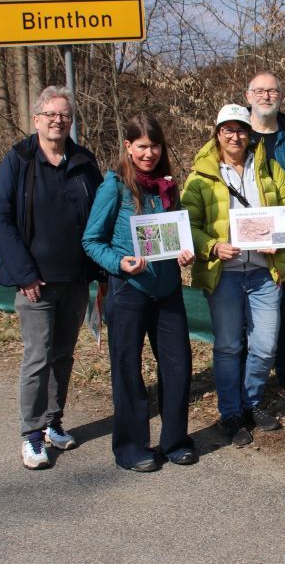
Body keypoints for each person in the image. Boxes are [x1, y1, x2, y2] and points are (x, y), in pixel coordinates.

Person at [0, 86, 103, 470]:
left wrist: (102, 269)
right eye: (51, 114)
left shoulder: (84, 161)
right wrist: (24, 273)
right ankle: (32, 434)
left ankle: (54, 422)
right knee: (38, 356)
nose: (58, 121)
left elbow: (101, 214)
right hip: (34, 282)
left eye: (64, 115)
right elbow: (0, 217)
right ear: (36, 119)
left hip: (76, 278)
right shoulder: (19, 160)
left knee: (63, 355)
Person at [82, 114, 197, 472]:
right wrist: (119, 264)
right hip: (128, 291)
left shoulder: (168, 186)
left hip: (167, 291)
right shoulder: (114, 186)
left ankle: (175, 441)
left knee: (178, 366)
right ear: (128, 147)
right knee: (128, 370)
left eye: (155, 146)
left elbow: (175, 235)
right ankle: (131, 448)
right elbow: (91, 241)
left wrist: (185, 253)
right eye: (142, 147)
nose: (149, 154)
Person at [182, 104, 285, 448]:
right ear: (217, 133)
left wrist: (280, 237)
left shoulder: (269, 168)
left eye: (241, 130)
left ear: (250, 134)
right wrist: (213, 246)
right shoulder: (201, 176)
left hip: (265, 273)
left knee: (264, 345)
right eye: (228, 130)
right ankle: (231, 413)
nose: (235, 136)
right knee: (229, 346)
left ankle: (251, 402)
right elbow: (188, 224)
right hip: (224, 276)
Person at [246, 71, 285, 390]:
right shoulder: (235, 132)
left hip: (284, 234)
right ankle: (247, 375)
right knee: (245, 306)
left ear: (280, 96)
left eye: (272, 91)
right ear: (248, 96)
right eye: (259, 91)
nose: (266, 96)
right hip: (244, 236)